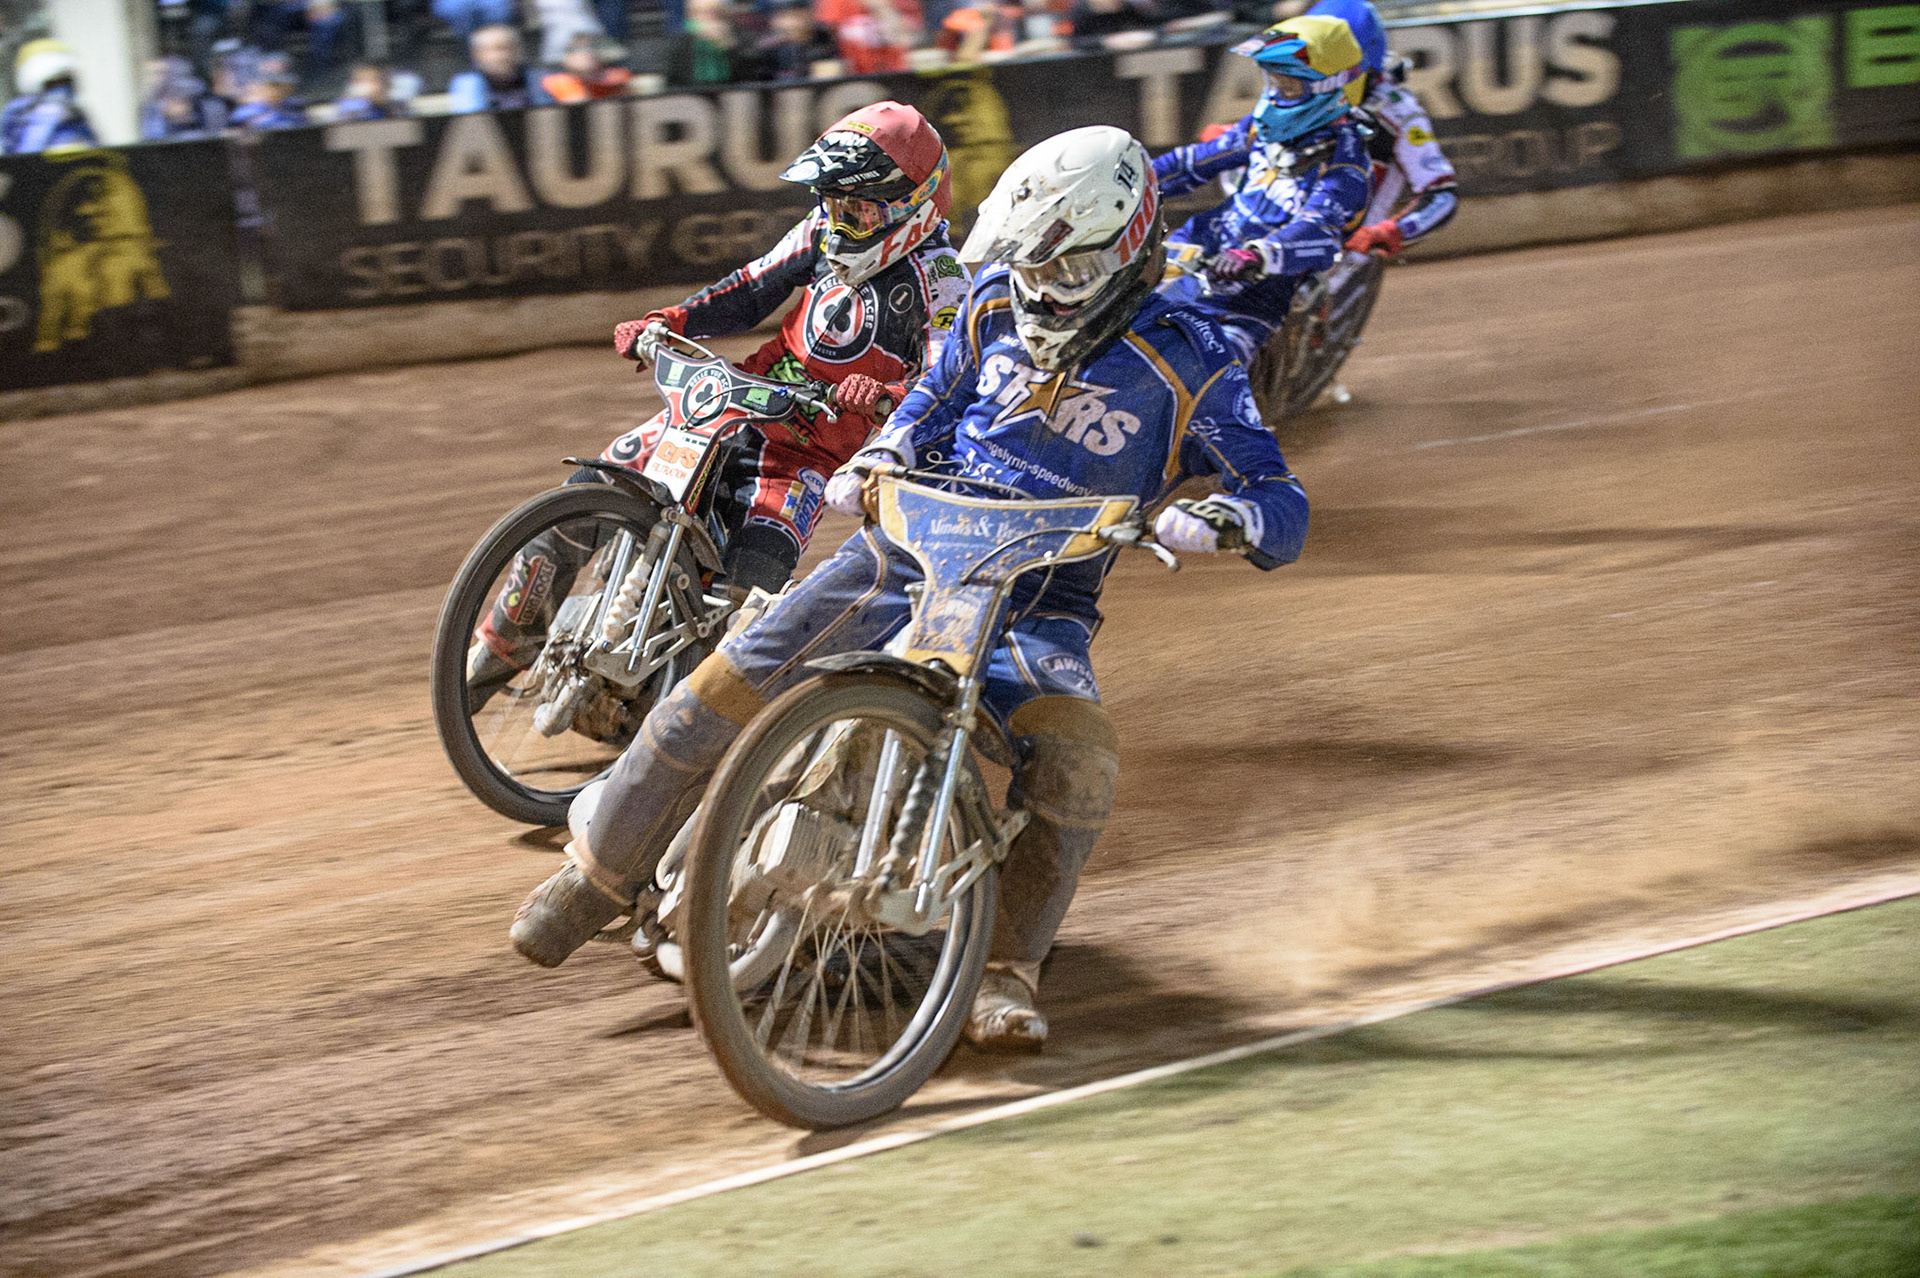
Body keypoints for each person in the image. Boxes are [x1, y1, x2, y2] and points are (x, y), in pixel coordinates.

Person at [507, 125, 1310, 1053]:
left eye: (1059, 266)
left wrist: (1230, 520)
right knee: (719, 684)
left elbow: (1278, 494)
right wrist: (888, 448)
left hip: (1036, 606)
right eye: (1028, 264)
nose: (1037, 286)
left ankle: (1007, 967)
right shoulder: (994, 307)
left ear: (1120, 246)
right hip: (904, 554)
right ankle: (596, 874)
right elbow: (934, 396)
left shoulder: (1195, 357)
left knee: (1081, 759)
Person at [466, 102, 967, 705]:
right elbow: (750, 288)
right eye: (830, 203)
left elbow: (951, 383)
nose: (837, 220)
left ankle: (670, 722)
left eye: (854, 207)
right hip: (729, 406)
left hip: (803, 458)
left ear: (912, 204)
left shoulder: (942, 281)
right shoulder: (820, 234)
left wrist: (888, 395)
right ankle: (494, 655)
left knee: (749, 600)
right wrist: (668, 319)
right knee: (583, 503)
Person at [1151, 15, 1373, 364]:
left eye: (1288, 87)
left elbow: (1319, 227)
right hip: (1199, 245)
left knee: (1216, 371)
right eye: (1273, 81)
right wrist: (1133, 178)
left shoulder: (1345, 163)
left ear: (1332, 88)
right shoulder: (1258, 129)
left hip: (1259, 290)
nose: (1275, 94)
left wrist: (1258, 253)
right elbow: (1193, 162)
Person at [1307, 0, 1458, 257]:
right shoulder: (1294, 91)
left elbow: (1442, 195)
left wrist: (1391, 231)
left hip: (1342, 261)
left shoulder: (1397, 111)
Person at [2, 40, 97, 154]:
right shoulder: (18, 113)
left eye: (67, 81)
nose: (62, 91)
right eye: (54, 83)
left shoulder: (74, 111)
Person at [447, 25, 556, 112]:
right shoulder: (467, 83)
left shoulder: (536, 79)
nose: (501, 57)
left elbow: (546, 114)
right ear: (476, 54)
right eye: (492, 50)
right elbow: (472, 121)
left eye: (505, 48)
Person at [140, 55, 231, 140]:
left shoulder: (211, 108)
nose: (155, 80)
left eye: (161, 74)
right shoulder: (152, 111)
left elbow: (220, 139)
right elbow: (153, 142)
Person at [746, 0, 839, 81]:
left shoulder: (824, 40)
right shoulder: (766, 50)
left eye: (800, 15)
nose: (794, 23)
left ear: (812, 14)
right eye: (785, 16)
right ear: (774, 20)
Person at [541, 34, 633, 100]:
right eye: (577, 50)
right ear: (567, 57)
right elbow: (580, 106)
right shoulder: (558, 82)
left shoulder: (619, 77)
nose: (585, 54)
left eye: (590, 48)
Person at [228, 55, 308, 129]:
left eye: (283, 85)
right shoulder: (248, 111)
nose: (278, 90)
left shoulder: (292, 104)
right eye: (274, 85)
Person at [332, 62, 405, 120]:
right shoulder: (347, 103)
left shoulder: (395, 101)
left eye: (372, 80)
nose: (366, 86)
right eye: (361, 81)